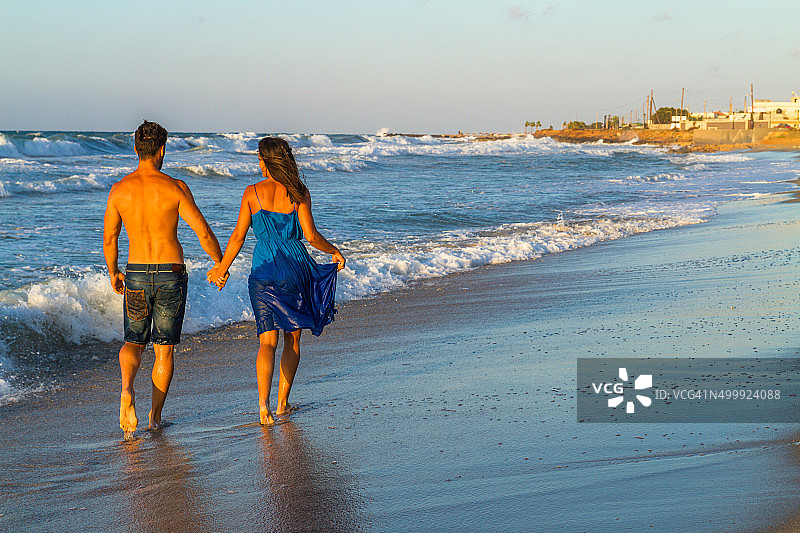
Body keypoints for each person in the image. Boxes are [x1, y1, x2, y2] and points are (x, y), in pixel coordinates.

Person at [207, 137, 345, 425]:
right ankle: (283, 404)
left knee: (266, 341)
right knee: (292, 337)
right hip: (294, 269)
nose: (258, 164)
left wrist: (221, 268)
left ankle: (263, 407)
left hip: (264, 270)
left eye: (259, 158)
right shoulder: (298, 191)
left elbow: (238, 237)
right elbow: (311, 236)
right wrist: (333, 250)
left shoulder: (251, 193)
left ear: (267, 160)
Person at [103, 120, 223, 439]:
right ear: (162, 150)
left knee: (133, 342)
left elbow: (110, 238)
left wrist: (113, 271)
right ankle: (154, 419)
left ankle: (127, 388)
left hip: (136, 273)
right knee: (164, 350)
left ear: (135, 149)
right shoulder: (175, 187)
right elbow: (203, 232)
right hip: (171, 273)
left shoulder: (119, 190)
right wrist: (219, 262)